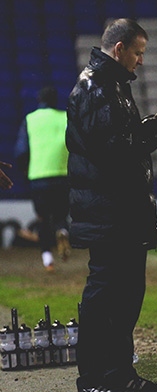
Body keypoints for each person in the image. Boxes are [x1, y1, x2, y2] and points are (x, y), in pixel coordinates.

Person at [66, 18, 157, 392]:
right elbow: (114, 151)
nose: (141, 61)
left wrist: (151, 125)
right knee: (105, 297)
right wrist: (154, 130)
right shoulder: (96, 87)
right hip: (108, 214)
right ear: (119, 49)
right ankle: (93, 380)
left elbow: (117, 141)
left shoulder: (109, 84)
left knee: (126, 296)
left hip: (118, 213)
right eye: (138, 52)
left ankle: (120, 375)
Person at [14, 86, 71, 272]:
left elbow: (21, 151)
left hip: (39, 177)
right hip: (63, 176)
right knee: (61, 215)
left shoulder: (30, 119)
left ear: (39, 99)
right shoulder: (66, 118)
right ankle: (63, 231)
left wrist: (25, 172)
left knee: (43, 219)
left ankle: (48, 259)